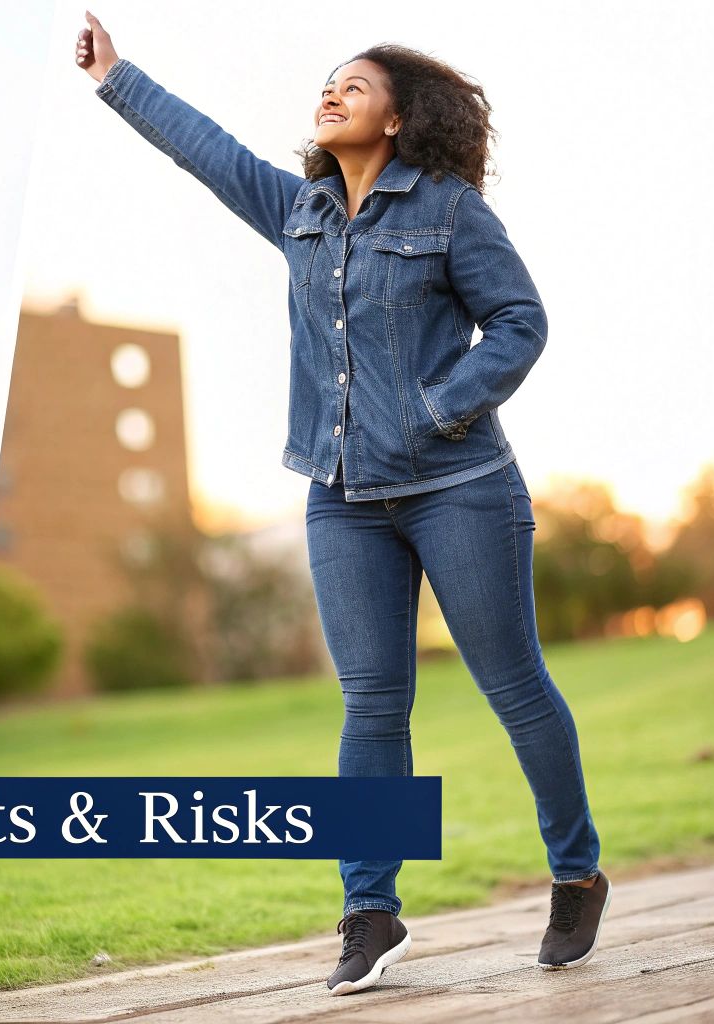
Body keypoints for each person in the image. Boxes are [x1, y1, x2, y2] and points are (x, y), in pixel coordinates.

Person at [73, 12, 609, 995]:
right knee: (371, 703)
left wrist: (437, 407)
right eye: (327, 83)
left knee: (513, 686)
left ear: (397, 119)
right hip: (341, 497)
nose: (330, 93)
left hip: (458, 487)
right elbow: (206, 150)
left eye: (353, 85)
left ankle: (575, 874)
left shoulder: (448, 212)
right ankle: (371, 909)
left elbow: (519, 321)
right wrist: (115, 76)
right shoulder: (301, 212)